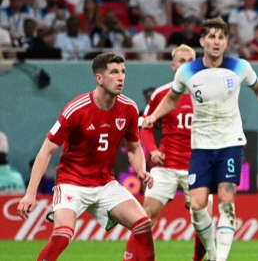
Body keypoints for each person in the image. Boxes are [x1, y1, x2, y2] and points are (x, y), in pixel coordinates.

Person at [142, 17, 258, 261]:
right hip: (200, 147)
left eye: (221, 37)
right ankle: (212, 255)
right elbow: (171, 98)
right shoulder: (187, 71)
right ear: (202, 41)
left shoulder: (240, 66)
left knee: (226, 199)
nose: (216, 41)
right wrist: (154, 116)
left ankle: (220, 259)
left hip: (230, 144)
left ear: (226, 42)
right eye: (211, 36)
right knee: (198, 206)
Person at [17, 52, 155, 261]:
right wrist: (30, 193)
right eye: (114, 72)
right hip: (72, 181)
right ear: (99, 78)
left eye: (123, 72)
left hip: (104, 183)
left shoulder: (129, 108)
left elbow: (134, 148)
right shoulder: (76, 109)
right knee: (62, 237)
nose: (121, 77)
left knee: (143, 225)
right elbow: (46, 151)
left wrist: (141, 169)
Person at [133, 44, 206, 261]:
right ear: (173, 65)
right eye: (181, 61)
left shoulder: (208, 94)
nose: (186, 65)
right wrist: (153, 150)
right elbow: (145, 127)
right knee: (145, 218)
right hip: (166, 166)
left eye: (191, 60)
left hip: (198, 167)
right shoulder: (161, 94)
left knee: (204, 222)